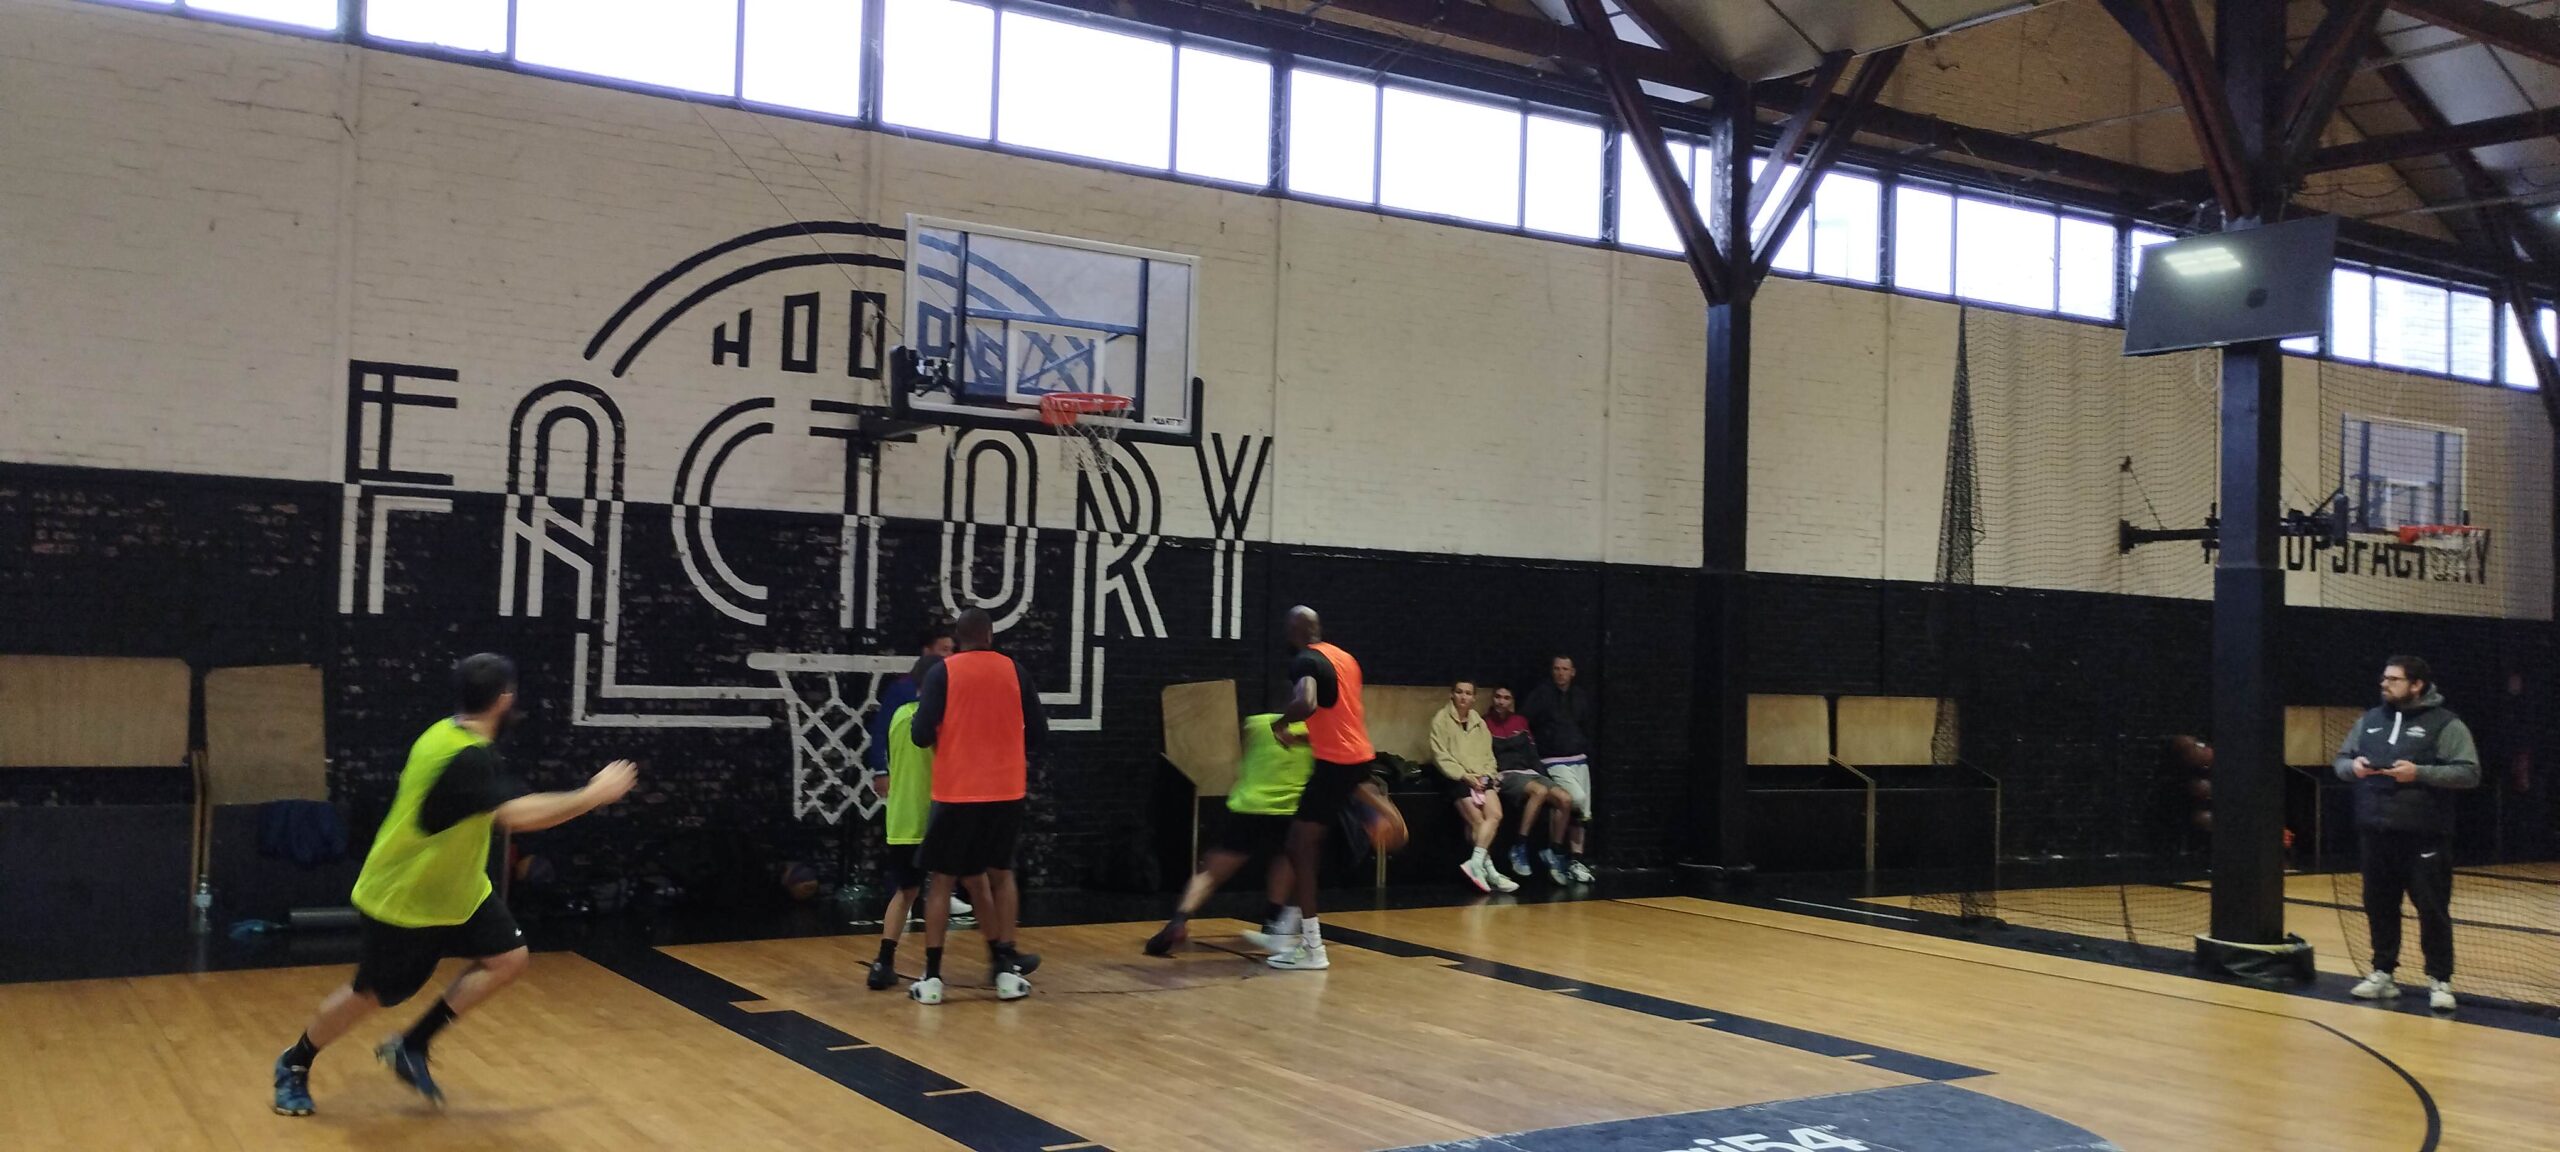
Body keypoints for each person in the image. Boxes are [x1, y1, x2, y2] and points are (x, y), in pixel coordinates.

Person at [272, 653, 637, 1116]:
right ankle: (295, 1062)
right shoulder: (465, 757)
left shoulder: (448, 734)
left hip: (459, 892)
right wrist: (593, 795)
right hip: (407, 899)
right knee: (371, 996)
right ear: (504, 699)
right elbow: (517, 816)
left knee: (508, 959)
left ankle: (412, 1045)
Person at [907, 609, 1045, 1004]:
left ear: (958, 638)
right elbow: (1039, 734)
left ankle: (933, 978)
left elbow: (920, 735)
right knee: (1001, 875)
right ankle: (1005, 970)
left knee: (942, 881)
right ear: (990, 634)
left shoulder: (943, 673)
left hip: (957, 791)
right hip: (1006, 790)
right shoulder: (1015, 671)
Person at [2337, 655, 2480, 1012]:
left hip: (2425, 835)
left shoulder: (2446, 724)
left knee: (2432, 910)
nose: (2384, 684)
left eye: (2394, 679)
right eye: (2384, 678)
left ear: (2417, 685)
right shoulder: (2369, 720)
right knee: (2379, 906)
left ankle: (2440, 980)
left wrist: (2419, 773)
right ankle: (2383, 973)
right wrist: (2353, 767)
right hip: (2375, 832)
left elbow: (2469, 772)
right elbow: (2340, 761)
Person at [866, 653, 992, 991]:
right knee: (963, 884)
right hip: (934, 817)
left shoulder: (898, 715)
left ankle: (883, 962)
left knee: (905, 892)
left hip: (900, 817)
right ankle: (994, 957)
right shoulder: (937, 722)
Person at [1145, 709, 1310, 956]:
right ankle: (1273, 922)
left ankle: (1179, 919)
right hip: (1290, 810)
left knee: (1210, 872)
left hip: (1248, 807)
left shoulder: (1256, 724)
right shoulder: (1315, 733)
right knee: (1284, 860)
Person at [1267, 606, 1376, 971]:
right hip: (1357, 760)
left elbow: (1307, 702)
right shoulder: (1346, 659)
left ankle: (1312, 946)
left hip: (1335, 767)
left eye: (1288, 627)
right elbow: (1339, 718)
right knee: (1306, 844)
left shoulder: (1304, 661)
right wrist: (1303, 739)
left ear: (1296, 630)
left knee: (1298, 847)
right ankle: (1366, 814)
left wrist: (1281, 723)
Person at [866, 623, 970, 923]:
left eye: (952, 649)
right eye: (944, 649)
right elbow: (881, 731)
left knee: (936, 839)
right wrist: (880, 769)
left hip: (937, 782)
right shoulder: (902, 691)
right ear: (927, 651)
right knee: (907, 842)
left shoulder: (952, 689)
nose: (949, 654)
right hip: (909, 778)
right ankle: (904, 896)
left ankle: (944, 893)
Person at [1429, 681, 1517, 893]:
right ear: (1452, 694)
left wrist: (1487, 775)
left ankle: (1476, 863)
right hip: (1457, 778)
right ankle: (1490, 871)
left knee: (1495, 815)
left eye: (1468, 693)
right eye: (1459, 692)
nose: (1464, 697)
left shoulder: (1479, 722)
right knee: (1477, 821)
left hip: (1482, 777)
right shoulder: (1441, 720)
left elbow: (1489, 755)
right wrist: (1464, 775)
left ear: (1474, 697)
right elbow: (1440, 756)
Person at [1523, 655, 1596, 884]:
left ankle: (1575, 860)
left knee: (1582, 812)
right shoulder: (1541, 695)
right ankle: (1553, 850)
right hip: (1554, 760)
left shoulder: (1580, 696)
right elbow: (1525, 723)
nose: (1561, 673)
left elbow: (1586, 725)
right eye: (1556, 668)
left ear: (1572, 672)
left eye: (1565, 669)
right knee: (1575, 799)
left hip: (1579, 759)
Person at [1485, 686, 1567, 881]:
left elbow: (1532, 753)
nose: (1501, 701)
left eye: (1506, 698)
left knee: (1565, 799)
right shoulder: (1484, 722)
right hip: (1506, 774)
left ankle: (1554, 851)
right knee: (1539, 792)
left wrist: (1545, 776)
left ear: (1512, 701)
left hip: (1530, 772)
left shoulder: (1520, 722)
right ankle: (1519, 846)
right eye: (1498, 697)